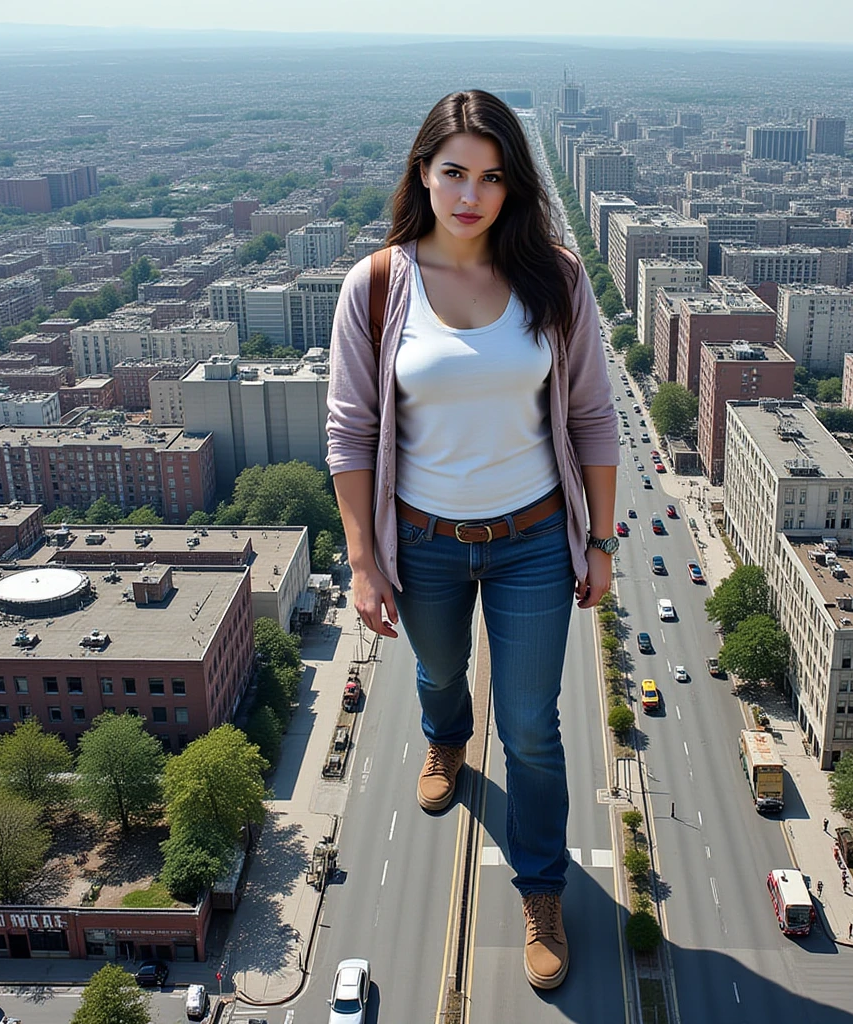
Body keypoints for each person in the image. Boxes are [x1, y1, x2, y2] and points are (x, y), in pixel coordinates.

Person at [326, 90, 618, 992]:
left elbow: (595, 417)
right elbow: (351, 433)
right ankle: (446, 736)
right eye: (454, 171)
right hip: (424, 541)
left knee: (532, 726)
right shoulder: (377, 287)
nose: (471, 194)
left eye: (492, 177)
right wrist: (365, 561)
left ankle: (540, 887)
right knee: (439, 670)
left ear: (511, 187)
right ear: (424, 172)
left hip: (532, 537)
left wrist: (599, 542)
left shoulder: (555, 279)